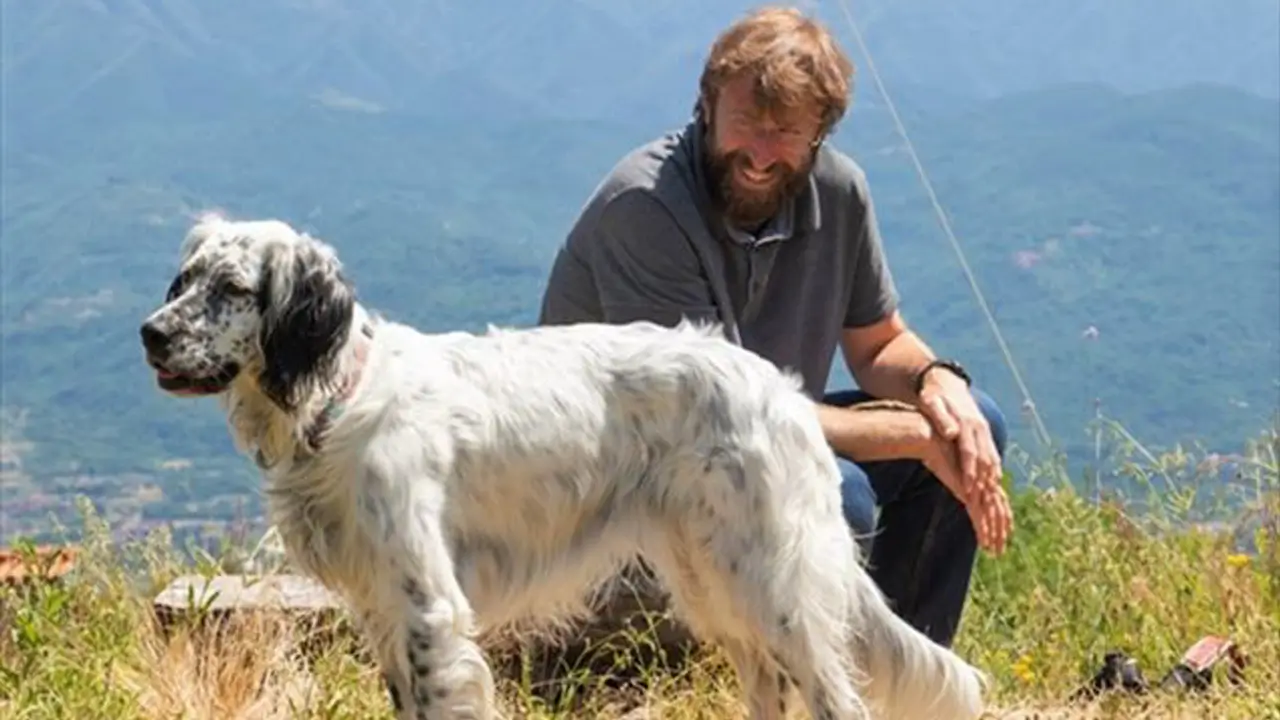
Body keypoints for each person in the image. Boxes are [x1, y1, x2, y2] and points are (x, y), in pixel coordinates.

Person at [537, 5, 1013, 648]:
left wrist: (937, 385)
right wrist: (910, 433)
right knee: (833, 492)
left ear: (820, 133)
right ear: (707, 107)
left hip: (747, 456)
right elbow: (728, 420)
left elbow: (879, 344)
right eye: (745, 125)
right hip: (620, 504)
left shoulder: (838, 193)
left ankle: (908, 671)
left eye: (785, 132)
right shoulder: (645, 208)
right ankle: (815, 684)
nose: (760, 155)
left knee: (972, 421)